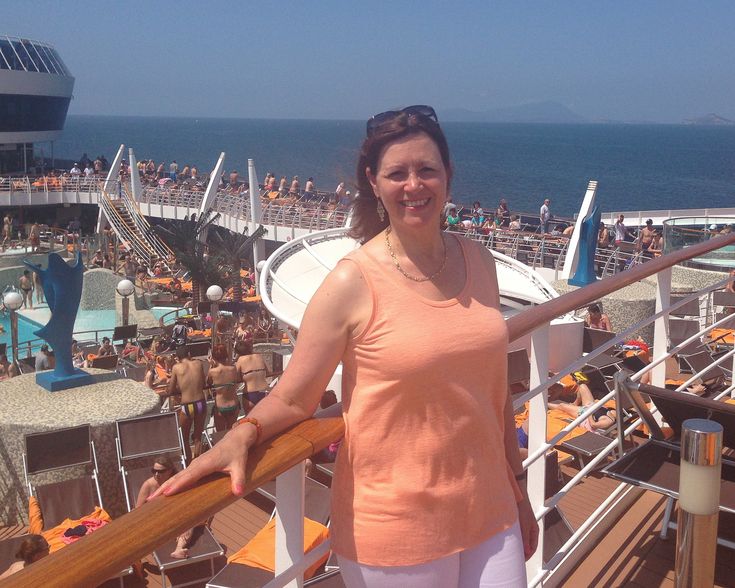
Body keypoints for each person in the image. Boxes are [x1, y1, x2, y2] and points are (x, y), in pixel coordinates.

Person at [153, 104, 537, 586]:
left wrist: (519, 489)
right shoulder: (351, 282)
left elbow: (495, 394)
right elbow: (295, 397)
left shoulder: (479, 262)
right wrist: (242, 433)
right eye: (397, 173)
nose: (414, 185)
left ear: (447, 176)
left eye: (426, 170)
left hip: (492, 508)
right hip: (398, 528)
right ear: (374, 183)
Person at [135, 456, 193, 559]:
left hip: (173, 517)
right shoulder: (148, 485)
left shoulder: (177, 482)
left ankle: (178, 549)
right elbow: (138, 510)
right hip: (154, 520)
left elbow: (186, 503)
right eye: (154, 471)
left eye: (160, 471)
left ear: (170, 471)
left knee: (191, 519)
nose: (156, 474)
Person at [168, 345, 207, 463]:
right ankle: (198, 462)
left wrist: (181, 389)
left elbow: (170, 391)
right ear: (189, 354)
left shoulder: (176, 368)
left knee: (184, 438)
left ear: (177, 358)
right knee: (197, 437)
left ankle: (189, 464)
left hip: (187, 405)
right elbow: (204, 384)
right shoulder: (198, 364)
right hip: (201, 403)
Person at [549, 372, 616, 432]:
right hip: (591, 406)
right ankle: (575, 401)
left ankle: (545, 404)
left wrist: (589, 412)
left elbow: (593, 425)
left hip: (585, 415)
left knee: (562, 406)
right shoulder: (611, 411)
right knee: (582, 386)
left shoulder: (608, 421)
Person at [207, 344, 241, 431]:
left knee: (221, 434)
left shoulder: (212, 371)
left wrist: (211, 365)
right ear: (226, 355)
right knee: (232, 432)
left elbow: (208, 383)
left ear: (213, 357)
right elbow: (236, 382)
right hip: (234, 404)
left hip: (220, 406)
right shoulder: (233, 369)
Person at [234, 340, 269, 408]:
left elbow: (237, 378)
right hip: (264, 391)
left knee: (250, 418)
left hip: (250, 393)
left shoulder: (240, 360)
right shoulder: (259, 356)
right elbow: (267, 373)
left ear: (238, 352)